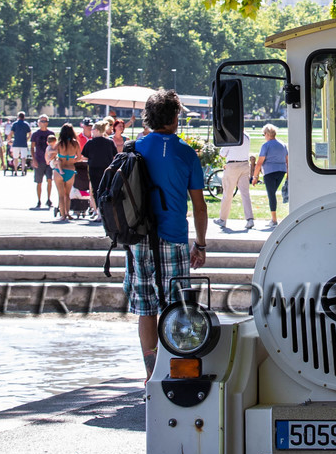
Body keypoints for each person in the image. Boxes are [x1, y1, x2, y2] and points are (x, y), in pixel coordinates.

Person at [127, 89, 208, 377]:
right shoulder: (186, 153)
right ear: (175, 118)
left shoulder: (134, 148)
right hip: (173, 237)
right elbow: (199, 207)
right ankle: (171, 371)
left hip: (138, 238)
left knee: (146, 308)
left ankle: (150, 374)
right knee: (175, 307)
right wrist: (200, 244)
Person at [217, 133, 256, 230]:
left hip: (232, 165)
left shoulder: (231, 137)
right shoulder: (247, 136)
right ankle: (249, 219)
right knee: (245, 194)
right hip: (244, 164)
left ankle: (223, 219)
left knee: (228, 193)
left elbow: (222, 153)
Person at [82, 120, 118, 221]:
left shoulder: (90, 142)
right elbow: (115, 156)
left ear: (97, 130)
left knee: (96, 190)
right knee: (107, 190)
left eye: (93, 129)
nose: (91, 131)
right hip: (107, 170)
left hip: (94, 169)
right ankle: (108, 212)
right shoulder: (110, 142)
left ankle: (99, 213)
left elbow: (84, 156)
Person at [257, 124, 289, 227]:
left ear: (266, 134)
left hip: (269, 172)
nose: (264, 136)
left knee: (271, 194)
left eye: (263, 134)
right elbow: (287, 160)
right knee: (273, 192)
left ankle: (274, 220)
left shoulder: (266, 145)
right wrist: (288, 174)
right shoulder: (282, 144)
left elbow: (259, 162)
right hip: (281, 171)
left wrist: (254, 176)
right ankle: (274, 219)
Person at [51, 124, 84, 222]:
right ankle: (68, 213)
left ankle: (62, 215)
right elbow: (79, 157)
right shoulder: (75, 143)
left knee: (60, 195)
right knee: (67, 194)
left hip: (59, 171)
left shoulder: (60, 143)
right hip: (70, 169)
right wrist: (72, 160)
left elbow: (52, 152)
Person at [30, 115, 55, 210]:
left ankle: (49, 199)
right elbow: (32, 147)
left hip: (49, 161)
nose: (44, 123)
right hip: (39, 160)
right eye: (42, 121)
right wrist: (34, 159)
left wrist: (52, 158)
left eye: (45, 121)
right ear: (38, 122)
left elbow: (54, 147)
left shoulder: (51, 133)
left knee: (49, 180)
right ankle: (38, 200)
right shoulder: (35, 134)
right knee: (39, 181)